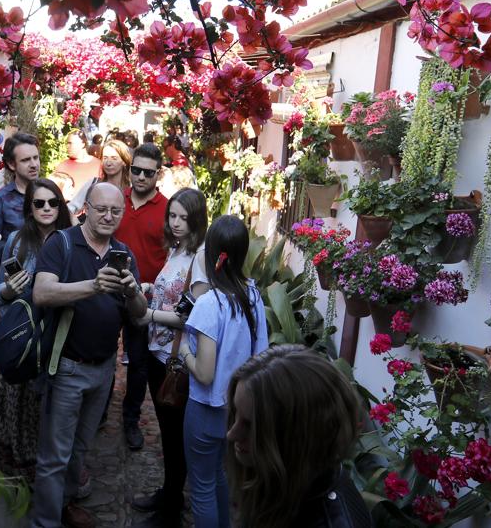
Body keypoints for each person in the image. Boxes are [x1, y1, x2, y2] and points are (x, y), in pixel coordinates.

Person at [32, 182, 148, 528]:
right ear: (87, 208)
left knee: (80, 448)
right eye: (102, 209)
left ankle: (64, 505)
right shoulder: (63, 243)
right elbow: (42, 292)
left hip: (104, 369)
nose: (109, 216)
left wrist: (131, 292)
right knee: (54, 456)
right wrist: (93, 286)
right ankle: (45, 523)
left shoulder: (123, 252)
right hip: (67, 367)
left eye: (116, 211)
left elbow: (140, 313)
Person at [182, 215, 269, 528]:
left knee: (202, 486)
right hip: (238, 409)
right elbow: (261, 353)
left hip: (207, 408)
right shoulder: (253, 295)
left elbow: (204, 374)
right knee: (219, 476)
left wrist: (184, 354)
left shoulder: (209, 303)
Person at [131, 188, 210, 528]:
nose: (176, 223)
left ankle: (171, 511)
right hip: (158, 352)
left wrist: (148, 315)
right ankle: (169, 494)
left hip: (175, 358)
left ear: (197, 220)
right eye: (172, 216)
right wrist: (151, 286)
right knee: (167, 433)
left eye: (183, 218)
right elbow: (173, 294)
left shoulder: (201, 257)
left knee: (175, 437)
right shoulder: (179, 248)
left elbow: (194, 316)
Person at [226, 346, 370, 528]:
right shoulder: (283, 477)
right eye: (235, 413)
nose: (231, 434)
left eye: (251, 425)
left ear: (299, 436)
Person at [0, 178, 75, 482]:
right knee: (16, 404)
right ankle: (18, 475)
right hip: (23, 338)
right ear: (29, 209)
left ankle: (49, 476)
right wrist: (10, 291)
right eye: (39, 203)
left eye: (53, 202)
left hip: (57, 337)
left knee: (51, 411)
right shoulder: (16, 240)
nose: (47, 208)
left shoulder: (71, 240)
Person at [114, 143, 170, 451]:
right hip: (109, 291)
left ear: (158, 174)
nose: (140, 177)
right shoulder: (115, 200)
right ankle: (94, 413)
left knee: (138, 362)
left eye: (148, 173)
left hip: (143, 298)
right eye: (135, 170)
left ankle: (130, 419)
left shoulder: (167, 209)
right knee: (100, 352)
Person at [0, 132, 40, 263]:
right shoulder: (1, 199)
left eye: (36, 158)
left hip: (48, 276)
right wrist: (16, 249)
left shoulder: (49, 193)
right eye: (26, 160)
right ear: (12, 164)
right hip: (13, 276)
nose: (34, 164)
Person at [69, 139, 131, 215]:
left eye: (114, 158)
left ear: (124, 161)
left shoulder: (132, 188)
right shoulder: (93, 184)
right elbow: (70, 209)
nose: (108, 163)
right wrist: (76, 223)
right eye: (105, 158)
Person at [54, 131, 99, 201]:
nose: (67, 146)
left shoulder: (98, 165)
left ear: (82, 144)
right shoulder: (62, 166)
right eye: (67, 143)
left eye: (70, 143)